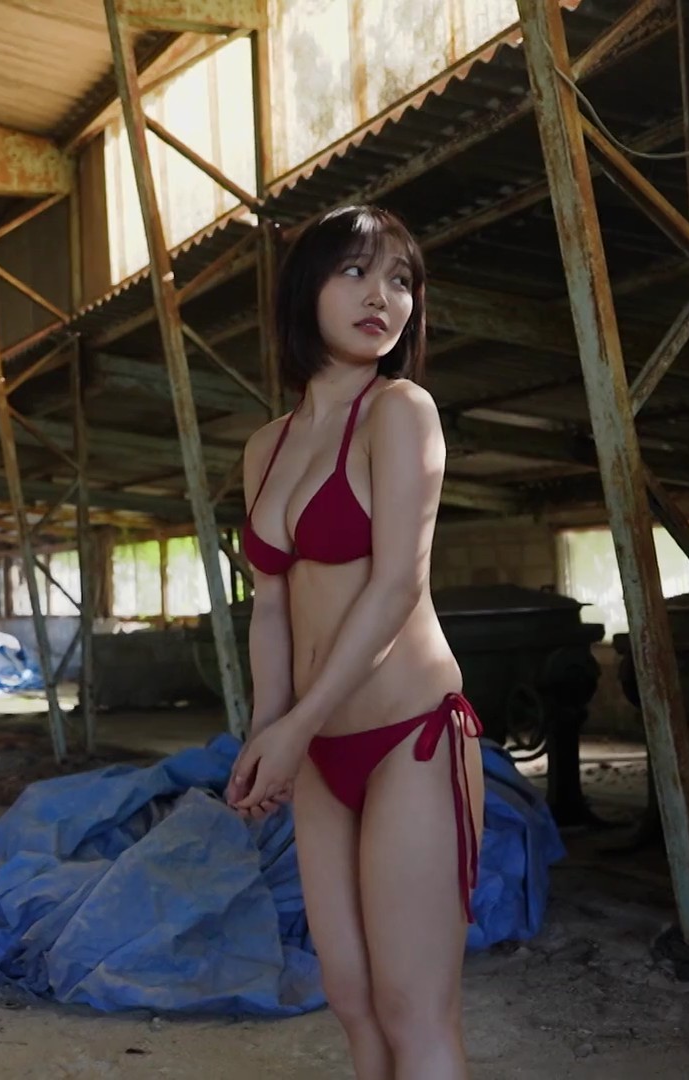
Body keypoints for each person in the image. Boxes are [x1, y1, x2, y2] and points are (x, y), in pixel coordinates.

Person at [225, 204, 483, 1080]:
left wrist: (295, 728)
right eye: (356, 272)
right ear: (306, 289)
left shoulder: (401, 412)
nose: (382, 297)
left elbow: (397, 584)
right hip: (316, 750)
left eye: (401, 281)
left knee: (414, 1011)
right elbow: (270, 606)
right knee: (353, 1003)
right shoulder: (265, 448)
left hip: (409, 739)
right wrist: (268, 734)